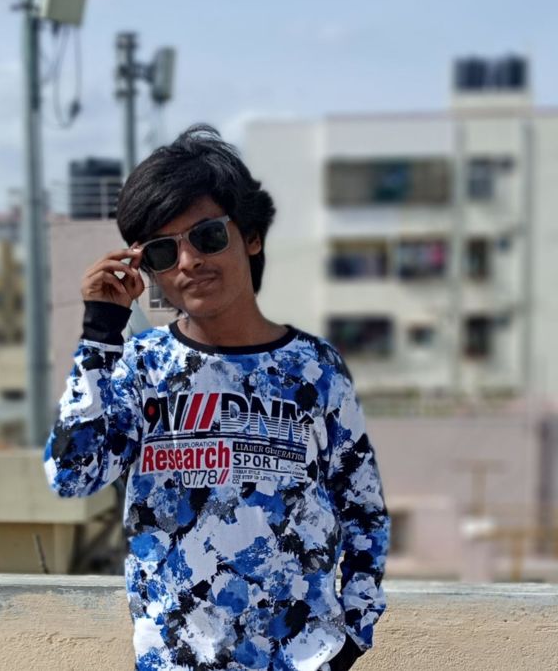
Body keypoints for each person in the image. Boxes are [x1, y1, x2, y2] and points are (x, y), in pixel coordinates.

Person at [44, 124, 390, 671]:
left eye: (206, 236)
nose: (188, 261)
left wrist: (352, 637)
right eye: (163, 250)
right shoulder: (140, 367)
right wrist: (99, 335)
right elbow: (72, 475)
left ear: (250, 236)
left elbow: (362, 508)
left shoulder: (315, 368)